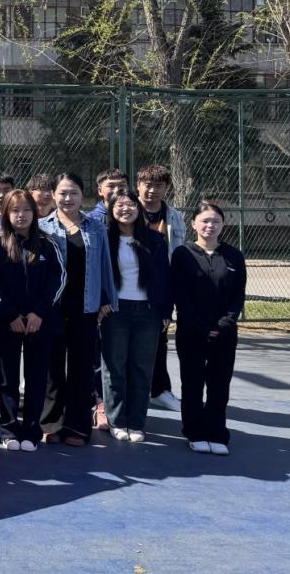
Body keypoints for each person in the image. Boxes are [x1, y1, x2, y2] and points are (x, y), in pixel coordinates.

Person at [39, 172, 117, 446]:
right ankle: (51, 423)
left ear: (83, 196)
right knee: (52, 367)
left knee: (82, 367)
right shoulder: (42, 227)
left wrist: (107, 299)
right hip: (52, 308)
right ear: (53, 195)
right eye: (62, 193)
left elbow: (105, 264)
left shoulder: (96, 227)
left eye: (73, 193)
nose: (67, 198)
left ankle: (78, 427)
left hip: (86, 306)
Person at [0, 190, 66, 451]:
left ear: (35, 212)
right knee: (7, 378)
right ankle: (8, 429)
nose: (21, 215)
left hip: (39, 323)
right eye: (15, 210)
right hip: (7, 323)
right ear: (6, 214)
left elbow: (58, 280)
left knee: (36, 377)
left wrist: (39, 313)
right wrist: (10, 315)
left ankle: (32, 430)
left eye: (26, 210)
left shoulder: (48, 243)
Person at [172, 201, 246, 456]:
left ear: (223, 225)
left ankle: (216, 433)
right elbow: (180, 296)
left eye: (215, 221)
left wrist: (224, 324)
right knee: (192, 384)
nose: (210, 225)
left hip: (224, 334)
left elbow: (238, 296)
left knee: (219, 385)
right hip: (192, 332)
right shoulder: (182, 254)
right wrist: (201, 327)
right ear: (193, 224)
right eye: (205, 221)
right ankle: (194, 432)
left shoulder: (234, 256)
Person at [101, 189, 171, 443]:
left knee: (142, 368)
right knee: (114, 367)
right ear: (111, 210)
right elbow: (97, 274)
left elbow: (165, 277)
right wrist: (102, 302)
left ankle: (137, 422)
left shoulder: (154, 239)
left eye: (130, 204)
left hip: (148, 311)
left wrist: (166, 311)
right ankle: (117, 421)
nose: (125, 209)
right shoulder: (103, 238)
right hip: (115, 311)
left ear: (138, 209)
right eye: (119, 205)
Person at [136, 164, 186, 412]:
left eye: (158, 186)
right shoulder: (126, 210)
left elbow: (177, 253)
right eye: (147, 185)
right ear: (138, 186)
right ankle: (126, 392)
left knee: (159, 340)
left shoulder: (174, 217)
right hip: (129, 286)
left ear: (167, 188)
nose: (152, 190)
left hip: (161, 289)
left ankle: (159, 390)